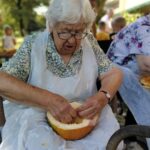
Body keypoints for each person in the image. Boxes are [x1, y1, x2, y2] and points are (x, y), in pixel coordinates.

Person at [0, 0, 123, 150]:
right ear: (51, 25)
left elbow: (113, 73)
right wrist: (48, 100)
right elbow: (2, 81)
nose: (72, 40)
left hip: (84, 115)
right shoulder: (33, 45)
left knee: (112, 141)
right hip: (38, 119)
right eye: (64, 31)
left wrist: (103, 96)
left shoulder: (88, 41)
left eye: (78, 32)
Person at [107, 14, 150, 149]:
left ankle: (137, 139)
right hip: (115, 76)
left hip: (138, 75)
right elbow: (146, 64)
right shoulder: (144, 27)